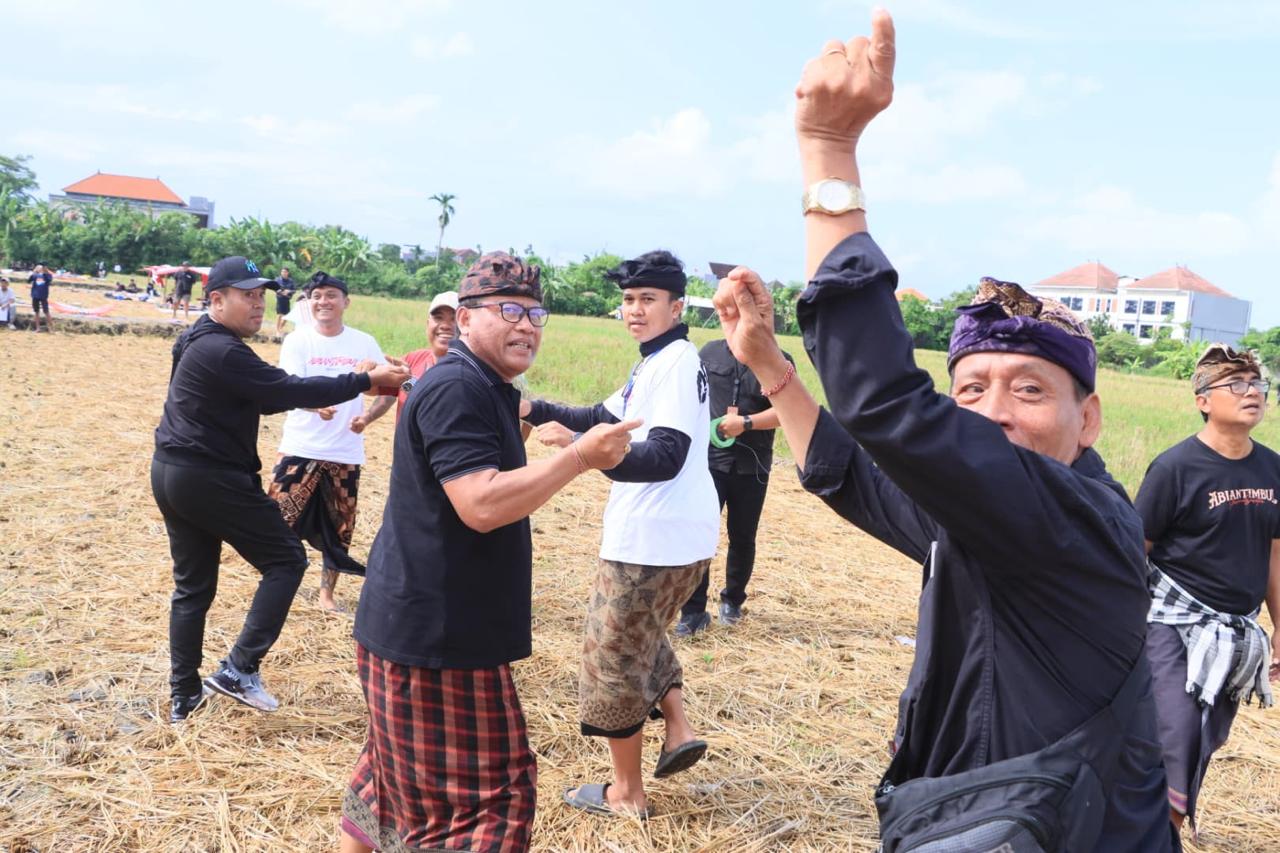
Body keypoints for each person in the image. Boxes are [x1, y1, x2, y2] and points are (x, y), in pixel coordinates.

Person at [710, 13, 1173, 849]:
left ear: (1089, 418)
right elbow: (857, 475)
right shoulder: (989, 520)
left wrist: (828, 153)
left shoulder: (1074, 520)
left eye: (1029, 389)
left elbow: (888, 407)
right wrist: (771, 365)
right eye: (971, 389)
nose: (994, 411)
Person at [341, 252, 638, 853]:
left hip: (419, 625)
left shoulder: (487, 385)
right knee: (487, 803)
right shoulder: (458, 387)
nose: (526, 325)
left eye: (534, 314)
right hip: (436, 639)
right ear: (466, 319)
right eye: (508, 310)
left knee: (392, 784)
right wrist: (580, 457)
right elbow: (480, 503)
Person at [151, 255, 409, 724]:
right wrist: (366, 380)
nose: (258, 304)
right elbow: (287, 390)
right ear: (216, 299)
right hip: (211, 477)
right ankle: (239, 668)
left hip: (172, 473)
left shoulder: (196, 339)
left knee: (192, 588)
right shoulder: (223, 350)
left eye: (261, 296)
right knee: (287, 560)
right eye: (247, 296)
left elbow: (265, 398)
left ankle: (183, 695)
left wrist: (348, 386)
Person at [521, 250, 719, 818]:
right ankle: (678, 728)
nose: (634, 309)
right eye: (629, 299)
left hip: (653, 540)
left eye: (647, 299)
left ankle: (627, 794)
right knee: (642, 633)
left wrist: (582, 454)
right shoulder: (655, 361)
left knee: (611, 660)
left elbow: (665, 455)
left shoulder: (675, 363)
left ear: (677, 307)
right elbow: (598, 415)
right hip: (679, 536)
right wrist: (531, 406)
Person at [1136, 344, 1279, 840]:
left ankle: (1158, 831)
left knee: (1203, 738)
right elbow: (1137, 551)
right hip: (1172, 623)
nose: (1251, 392)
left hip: (1236, 633)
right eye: (1235, 383)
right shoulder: (1175, 468)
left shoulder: (1273, 469)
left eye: (1257, 383)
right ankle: (1155, 837)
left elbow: (1274, 553)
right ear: (1202, 400)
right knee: (1175, 732)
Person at [268, 272, 388, 614]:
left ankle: (326, 596)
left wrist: (367, 418)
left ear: (345, 302)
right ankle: (277, 586)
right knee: (276, 523)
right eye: (317, 295)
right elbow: (287, 389)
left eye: (331, 295)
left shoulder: (364, 342)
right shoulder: (297, 341)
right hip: (300, 447)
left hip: (345, 452)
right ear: (309, 302)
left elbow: (390, 388)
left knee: (339, 528)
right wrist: (312, 405)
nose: (324, 301)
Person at [675, 338, 795, 635]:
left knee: (742, 536)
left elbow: (787, 411)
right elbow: (690, 398)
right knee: (698, 534)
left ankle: (732, 601)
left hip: (752, 466)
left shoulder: (778, 359)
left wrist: (746, 423)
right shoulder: (709, 353)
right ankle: (693, 611)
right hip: (708, 463)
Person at [355, 290, 458, 429]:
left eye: (454, 319)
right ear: (428, 324)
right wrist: (367, 373)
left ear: (466, 324)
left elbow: (436, 405)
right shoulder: (413, 360)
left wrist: (408, 381)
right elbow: (375, 390)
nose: (445, 325)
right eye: (438, 318)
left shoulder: (471, 371)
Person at [273, 266, 297, 341]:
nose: (283, 273)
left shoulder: (291, 281)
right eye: (282, 271)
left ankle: (280, 328)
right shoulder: (277, 280)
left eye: (285, 272)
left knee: (287, 316)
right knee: (280, 314)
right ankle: (277, 331)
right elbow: (274, 288)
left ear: (287, 273)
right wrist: (282, 292)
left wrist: (289, 291)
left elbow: (294, 290)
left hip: (287, 300)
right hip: (280, 298)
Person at [27, 264, 52, 332]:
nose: (41, 269)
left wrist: (46, 272)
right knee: (36, 312)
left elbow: (49, 280)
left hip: (43, 296)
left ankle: (51, 328)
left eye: (42, 268)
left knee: (46, 311)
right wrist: (34, 272)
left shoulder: (48, 275)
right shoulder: (35, 275)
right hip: (35, 296)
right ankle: (38, 328)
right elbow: (29, 280)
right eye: (39, 268)